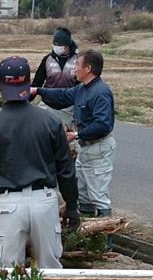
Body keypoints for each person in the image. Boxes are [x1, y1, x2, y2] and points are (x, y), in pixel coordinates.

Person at [0, 56, 78, 269]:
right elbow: (65, 168)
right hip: (44, 202)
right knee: (51, 269)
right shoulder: (50, 121)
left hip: (10, 205)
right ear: (28, 85)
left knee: (7, 272)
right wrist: (72, 205)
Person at [34, 49, 116, 218]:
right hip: (85, 149)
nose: (74, 69)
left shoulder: (100, 92)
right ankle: (87, 227)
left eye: (77, 64)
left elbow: (103, 125)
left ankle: (105, 229)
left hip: (98, 149)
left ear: (88, 68)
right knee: (83, 194)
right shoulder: (82, 89)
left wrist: (76, 135)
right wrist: (38, 91)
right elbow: (62, 95)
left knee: (98, 196)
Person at [32, 26, 79, 128]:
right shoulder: (47, 59)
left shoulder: (78, 61)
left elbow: (81, 88)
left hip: (68, 109)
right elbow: (36, 83)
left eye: (59, 45)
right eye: (54, 44)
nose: (56, 47)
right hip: (47, 105)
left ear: (67, 45)